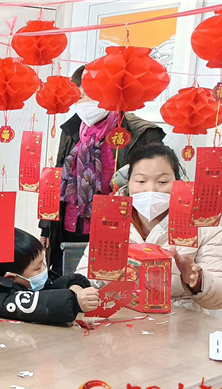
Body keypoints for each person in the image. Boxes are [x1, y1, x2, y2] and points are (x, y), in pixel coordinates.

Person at [75, 142, 222, 310]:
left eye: (162, 181)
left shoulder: (203, 226)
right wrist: (80, 291)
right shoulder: (109, 220)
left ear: (178, 182)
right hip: (120, 319)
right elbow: (85, 278)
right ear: (128, 183)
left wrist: (198, 280)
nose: (150, 189)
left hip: (180, 322)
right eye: (141, 181)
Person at [40, 65, 166, 277]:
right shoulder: (72, 130)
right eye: (78, 97)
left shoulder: (141, 133)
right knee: (69, 283)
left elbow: (155, 184)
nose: (82, 103)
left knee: (109, 284)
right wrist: (46, 226)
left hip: (116, 228)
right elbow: (58, 176)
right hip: (70, 226)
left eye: (87, 95)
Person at [0, 228, 100, 324]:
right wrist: (74, 302)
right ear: (11, 278)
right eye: (37, 268)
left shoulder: (20, 275)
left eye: (43, 263)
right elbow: (31, 304)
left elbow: (52, 284)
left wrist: (75, 285)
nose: (44, 270)